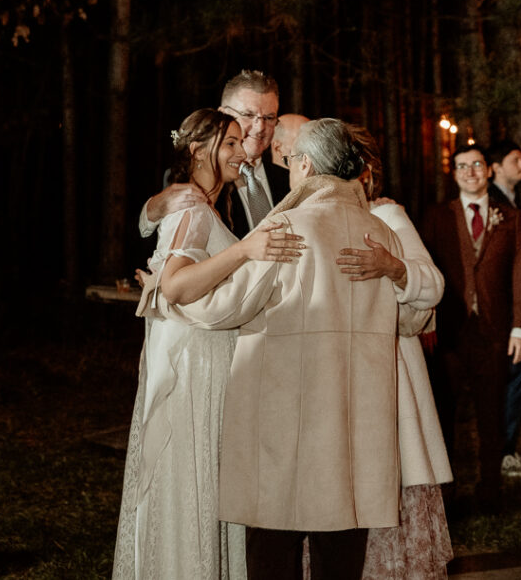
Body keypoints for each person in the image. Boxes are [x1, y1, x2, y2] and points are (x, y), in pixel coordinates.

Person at [161, 118, 410, 580]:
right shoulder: (383, 234)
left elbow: (226, 307)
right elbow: (413, 317)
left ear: (308, 164)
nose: (289, 168)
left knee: (273, 551)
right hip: (358, 429)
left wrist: (169, 300)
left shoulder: (287, 226)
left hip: (287, 423)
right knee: (341, 555)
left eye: (292, 159)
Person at [112, 108, 303, 580]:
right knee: (192, 479)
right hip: (192, 361)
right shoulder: (193, 209)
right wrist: (245, 250)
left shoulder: (203, 205)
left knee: (202, 481)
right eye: (232, 144)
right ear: (199, 151)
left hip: (202, 353)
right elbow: (175, 286)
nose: (243, 153)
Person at [335, 125, 453, 580]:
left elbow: (432, 284)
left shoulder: (389, 216)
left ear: (365, 173)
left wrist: (395, 268)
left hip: (391, 374)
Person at [420, 143, 521, 510]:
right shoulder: (437, 216)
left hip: (495, 330)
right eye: (462, 166)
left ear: (488, 170)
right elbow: (426, 271)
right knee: (444, 413)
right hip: (450, 330)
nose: (470, 172)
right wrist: (425, 324)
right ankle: (446, 493)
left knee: (491, 413)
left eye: (477, 165)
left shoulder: (510, 217)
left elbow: (519, 273)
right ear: (454, 174)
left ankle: (490, 490)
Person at [140, 70, 291, 237]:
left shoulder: (289, 181)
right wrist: (154, 208)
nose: (260, 127)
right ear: (223, 115)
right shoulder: (195, 178)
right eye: (248, 115)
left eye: (269, 118)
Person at [487, 139, 521, 475]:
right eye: (515, 159)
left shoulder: (512, 202)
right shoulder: (494, 205)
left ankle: (505, 448)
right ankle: (502, 450)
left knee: (517, 377)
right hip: (505, 308)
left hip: (519, 305)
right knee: (512, 376)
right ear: (496, 166)